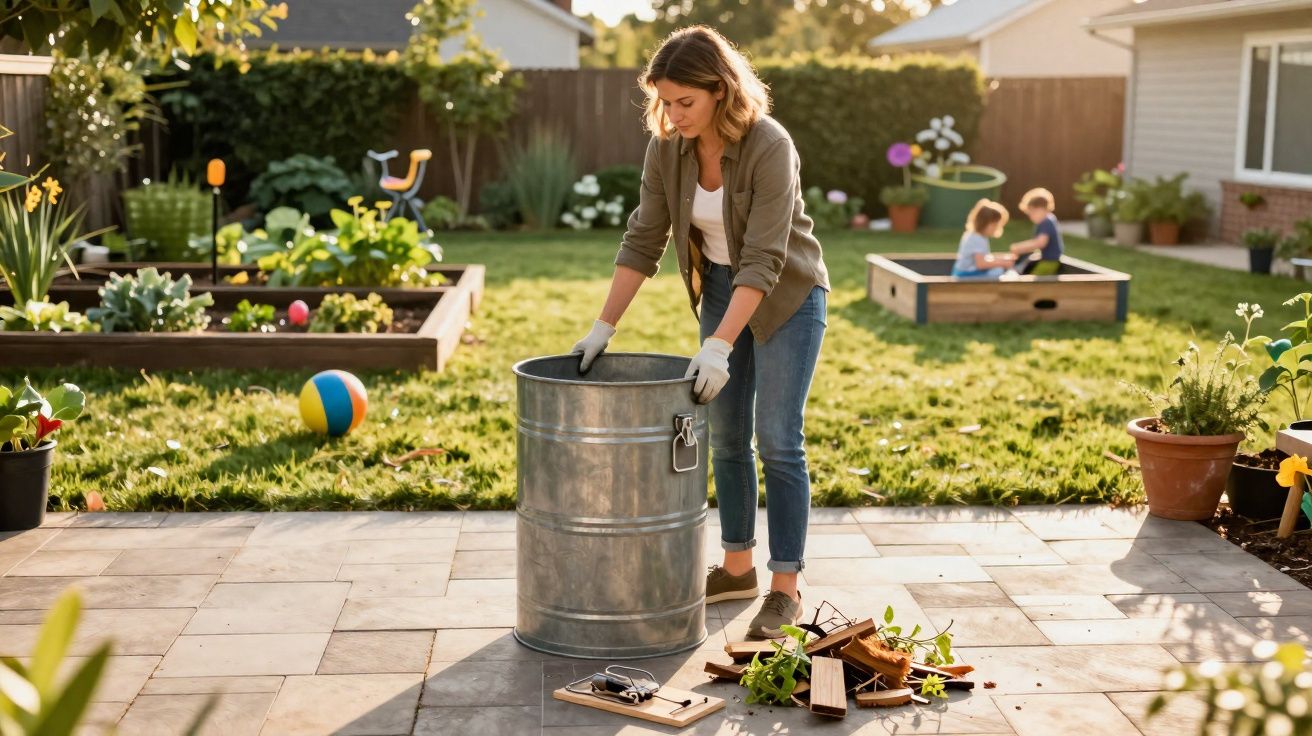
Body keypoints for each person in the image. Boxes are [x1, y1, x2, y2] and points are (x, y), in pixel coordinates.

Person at [569, 25, 830, 639]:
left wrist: (718, 346)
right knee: (726, 436)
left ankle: (785, 588)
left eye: (685, 101)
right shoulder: (668, 148)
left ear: (720, 89)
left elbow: (763, 259)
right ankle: (737, 569)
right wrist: (603, 326)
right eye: (664, 101)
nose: (673, 114)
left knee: (778, 439)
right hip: (718, 288)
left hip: (788, 296)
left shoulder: (770, 145)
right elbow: (645, 237)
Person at [951, 199, 1013, 279]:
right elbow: (980, 264)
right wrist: (1002, 263)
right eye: (994, 225)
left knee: (998, 270)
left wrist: (1001, 259)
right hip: (965, 275)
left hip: (964, 272)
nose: (996, 228)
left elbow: (984, 257)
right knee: (998, 271)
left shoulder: (976, 235)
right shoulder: (977, 239)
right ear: (983, 223)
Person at [1009, 187, 1064, 276]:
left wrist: (1019, 248)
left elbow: (1040, 243)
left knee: (1032, 280)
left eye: (1032, 213)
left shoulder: (1046, 222)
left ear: (1041, 209)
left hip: (1049, 262)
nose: (1030, 217)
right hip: (1049, 260)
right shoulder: (1049, 218)